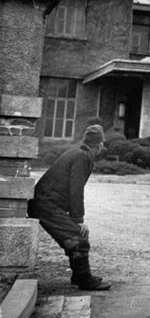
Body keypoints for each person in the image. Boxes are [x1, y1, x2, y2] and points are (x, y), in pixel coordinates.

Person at [28, 124, 111, 291]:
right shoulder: (83, 157)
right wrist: (78, 221)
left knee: (74, 236)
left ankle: (80, 276)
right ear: (100, 145)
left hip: (44, 203)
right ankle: (84, 279)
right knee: (77, 236)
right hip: (46, 205)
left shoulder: (78, 152)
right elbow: (76, 190)